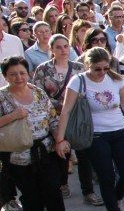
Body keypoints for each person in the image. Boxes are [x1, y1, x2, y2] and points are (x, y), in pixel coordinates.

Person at [54, 47, 124, 211]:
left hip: (119, 131)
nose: (102, 72)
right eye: (97, 69)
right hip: (95, 135)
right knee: (107, 176)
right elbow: (66, 111)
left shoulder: (116, 79)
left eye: (105, 68)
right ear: (88, 65)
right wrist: (60, 139)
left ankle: (117, 200)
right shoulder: (78, 81)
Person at [0, 57, 75, 211]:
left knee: (52, 190)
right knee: (30, 194)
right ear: (5, 76)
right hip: (18, 155)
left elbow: (52, 119)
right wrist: (13, 116)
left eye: (22, 73)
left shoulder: (38, 93)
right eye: (13, 74)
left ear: (29, 73)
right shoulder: (2, 96)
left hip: (46, 150)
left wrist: (60, 139)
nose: (19, 77)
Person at [30, 34, 88, 200]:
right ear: (51, 49)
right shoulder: (43, 69)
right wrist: (60, 104)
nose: (63, 50)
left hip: (75, 115)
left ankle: (87, 188)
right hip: (52, 116)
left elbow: (84, 90)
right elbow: (38, 94)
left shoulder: (78, 68)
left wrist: (72, 104)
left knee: (80, 151)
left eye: (66, 46)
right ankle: (62, 182)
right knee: (60, 149)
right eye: (58, 47)